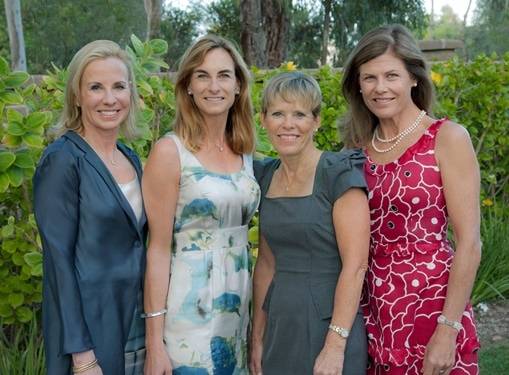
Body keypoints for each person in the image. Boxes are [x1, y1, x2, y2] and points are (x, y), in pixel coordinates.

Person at [341, 24, 481, 375]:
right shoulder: (356, 152)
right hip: (375, 313)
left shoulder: (446, 138)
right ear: (358, 84)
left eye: (392, 75)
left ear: (414, 79)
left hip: (434, 310)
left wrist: (448, 330)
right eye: (369, 77)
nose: (380, 87)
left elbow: (469, 244)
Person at [142, 34, 260, 374]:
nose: (214, 86)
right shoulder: (170, 152)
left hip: (235, 313)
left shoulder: (245, 152)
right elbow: (158, 250)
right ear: (188, 86)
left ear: (238, 85)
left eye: (224, 75)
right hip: (186, 317)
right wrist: (154, 344)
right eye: (202, 75)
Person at [33, 40, 147, 375]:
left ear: (131, 93)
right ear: (77, 95)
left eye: (118, 87)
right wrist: (83, 356)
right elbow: (59, 265)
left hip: (134, 322)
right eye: (96, 87)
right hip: (88, 332)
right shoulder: (62, 160)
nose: (110, 99)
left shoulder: (131, 157)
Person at [250, 71, 370, 375]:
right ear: (263, 119)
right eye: (278, 113)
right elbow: (266, 264)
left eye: (299, 114)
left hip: (329, 326)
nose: (288, 124)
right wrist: (257, 337)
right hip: (280, 325)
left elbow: (355, 266)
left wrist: (334, 346)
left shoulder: (338, 174)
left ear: (316, 121)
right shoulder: (265, 176)